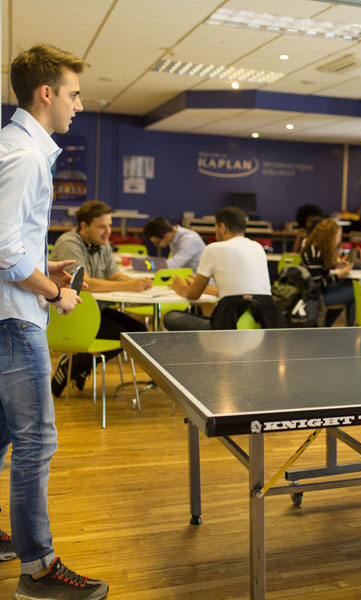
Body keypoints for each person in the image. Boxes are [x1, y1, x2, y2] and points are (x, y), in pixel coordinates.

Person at [0, 43, 110, 599]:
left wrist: (45, 267)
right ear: (46, 94)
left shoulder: (15, 147)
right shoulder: (24, 156)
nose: (79, 105)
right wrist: (55, 291)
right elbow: (3, 250)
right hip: (15, 322)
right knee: (36, 442)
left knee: (2, 435)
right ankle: (38, 570)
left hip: (6, 315)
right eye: (74, 94)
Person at [49, 200, 150, 396]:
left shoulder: (102, 244)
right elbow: (84, 284)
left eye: (110, 225)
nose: (108, 231)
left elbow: (114, 274)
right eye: (102, 226)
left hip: (95, 310)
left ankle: (79, 364)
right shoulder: (69, 243)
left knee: (138, 332)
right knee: (124, 337)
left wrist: (139, 282)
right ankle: (74, 364)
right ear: (84, 226)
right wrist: (128, 286)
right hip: (71, 313)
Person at [163, 207, 283, 330]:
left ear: (222, 227)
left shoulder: (213, 249)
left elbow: (193, 295)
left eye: (215, 228)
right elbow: (240, 291)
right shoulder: (258, 248)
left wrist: (180, 288)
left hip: (227, 328)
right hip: (262, 326)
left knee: (170, 317)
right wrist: (202, 287)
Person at [301, 218, 356, 326]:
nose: (339, 239)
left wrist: (335, 265)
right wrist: (339, 274)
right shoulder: (315, 254)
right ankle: (351, 328)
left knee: (346, 287)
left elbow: (319, 271)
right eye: (338, 236)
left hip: (316, 293)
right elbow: (318, 284)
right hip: (317, 297)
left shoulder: (315, 249)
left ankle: (326, 325)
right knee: (355, 293)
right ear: (329, 237)